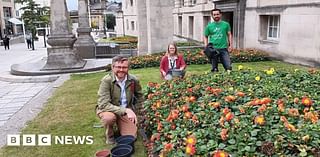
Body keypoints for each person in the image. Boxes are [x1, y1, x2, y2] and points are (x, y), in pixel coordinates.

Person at [96, 55, 144, 144]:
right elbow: (103, 104)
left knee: (131, 137)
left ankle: (120, 123)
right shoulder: (106, 81)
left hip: (126, 111)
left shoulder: (133, 80)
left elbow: (140, 97)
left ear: (128, 68)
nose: (121, 70)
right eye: (118, 67)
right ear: (112, 67)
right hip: (109, 110)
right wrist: (126, 110)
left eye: (124, 67)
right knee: (109, 118)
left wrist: (135, 111)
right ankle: (110, 135)